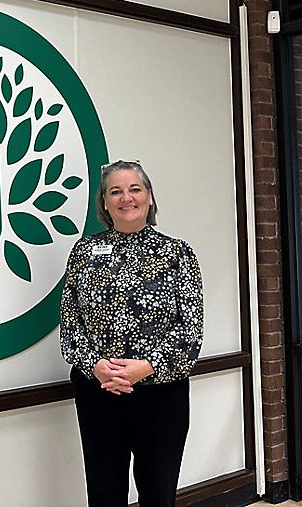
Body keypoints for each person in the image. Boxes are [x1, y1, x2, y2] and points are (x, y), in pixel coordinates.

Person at [59, 160, 203, 506]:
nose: (127, 198)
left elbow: (190, 329)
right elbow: (70, 324)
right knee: (104, 492)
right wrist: (95, 365)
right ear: (104, 203)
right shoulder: (84, 252)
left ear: (149, 197)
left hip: (161, 395)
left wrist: (146, 366)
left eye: (135, 189)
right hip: (99, 391)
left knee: (158, 493)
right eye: (116, 191)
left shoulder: (177, 253)